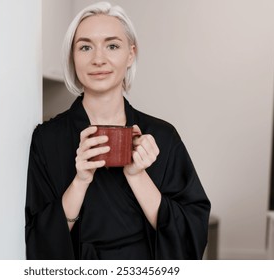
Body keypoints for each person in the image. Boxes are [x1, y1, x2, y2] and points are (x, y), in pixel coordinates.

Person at [25, 1, 210, 260]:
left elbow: (192, 233)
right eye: (85, 47)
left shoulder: (163, 136)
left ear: (131, 54)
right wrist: (80, 181)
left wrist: (137, 176)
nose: (98, 59)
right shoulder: (46, 140)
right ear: (72, 57)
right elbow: (36, 242)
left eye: (112, 46)